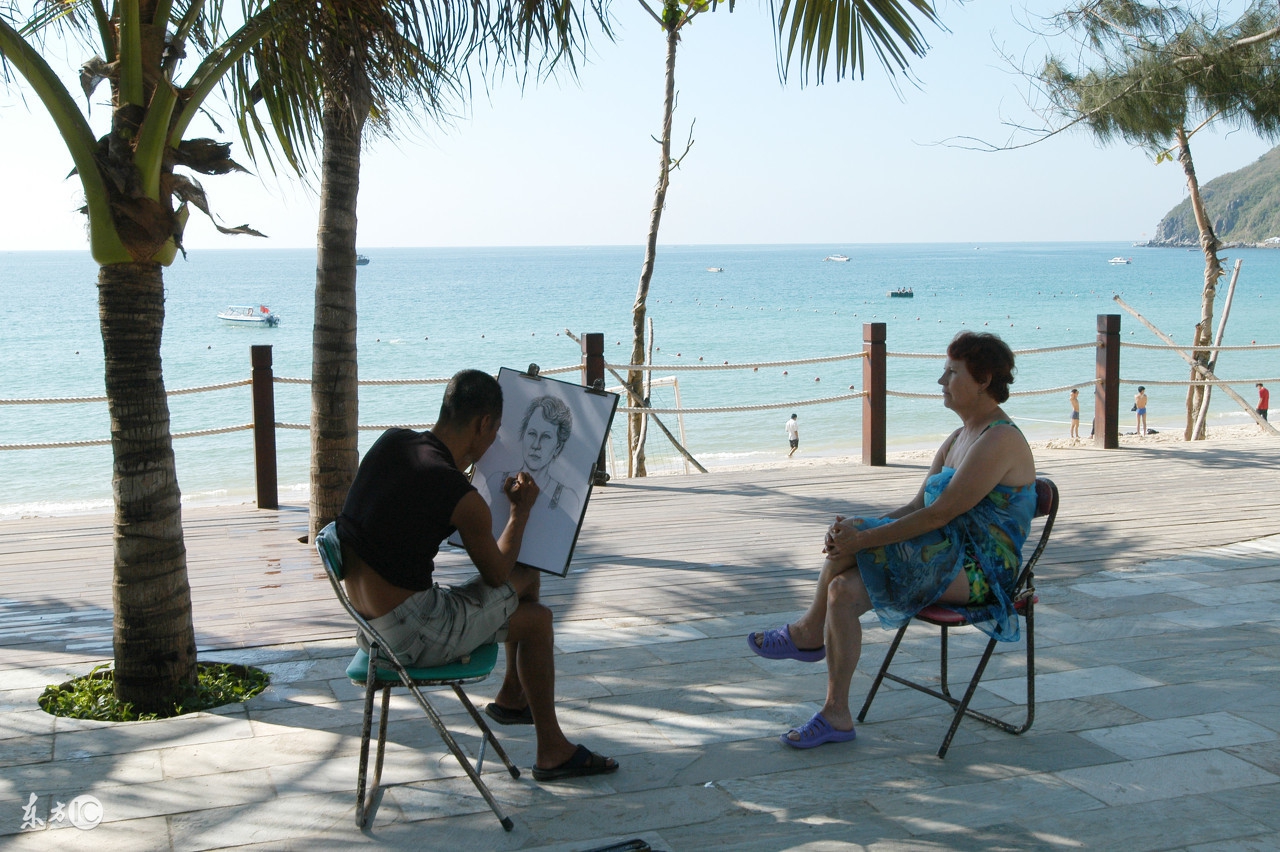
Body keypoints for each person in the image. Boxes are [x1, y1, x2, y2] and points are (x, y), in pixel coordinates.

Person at [747, 332, 1037, 749]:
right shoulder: (958, 438)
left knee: (854, 551)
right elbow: (916, 504)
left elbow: (940, 513)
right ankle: (835, 712)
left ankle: (810, 638)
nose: (941, 380)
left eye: (952, 372)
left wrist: (865, 541)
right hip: (942, 552)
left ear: (983, 379)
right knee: (843, 587)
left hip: (981, 570)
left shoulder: (1000, 439)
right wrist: (860, 529)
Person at [335, 370, 617, 781]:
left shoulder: (392, 441)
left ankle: (513, 696)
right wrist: (519, 512)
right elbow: (497, 573)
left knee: (529, 577)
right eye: (497, 431)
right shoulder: (456, 493)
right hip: (411, 632)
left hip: (367, 622)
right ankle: (552, 749)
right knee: (538, 620)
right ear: (484, 424)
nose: (499, 443)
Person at [487, 395, 582, 522]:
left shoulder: (567, 498)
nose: (536, 445)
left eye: (546, 437)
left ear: (558, 447)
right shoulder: (496, 480)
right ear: (523, 434)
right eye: (532, 434)